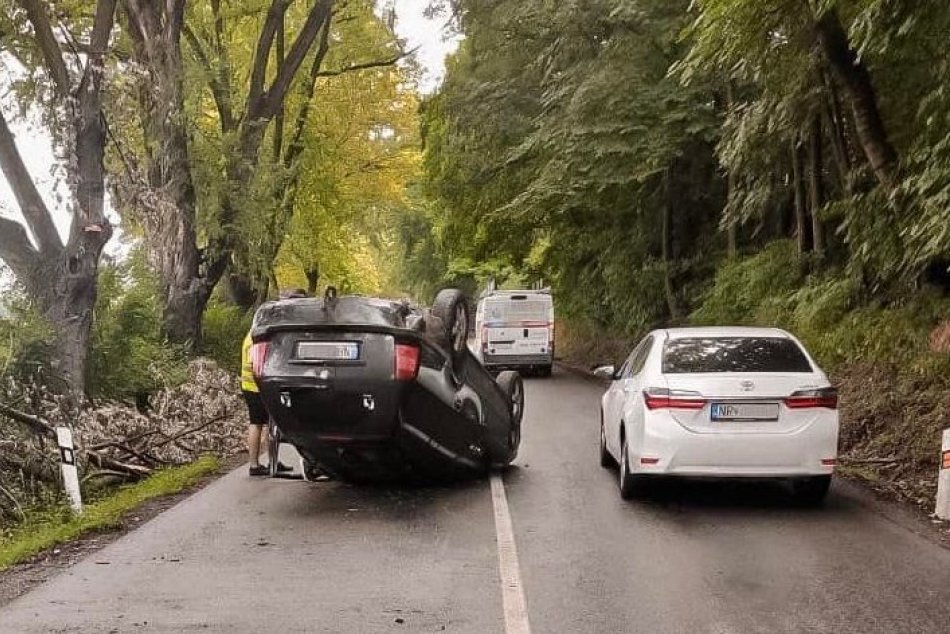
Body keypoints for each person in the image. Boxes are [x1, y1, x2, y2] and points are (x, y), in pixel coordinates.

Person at [242, 288, 307, 476]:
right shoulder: (257, 337)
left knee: (269, 424)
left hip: (254, 385)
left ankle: (271, 462)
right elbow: (258, 363)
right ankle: (255, 465)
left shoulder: (255, 333)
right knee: (258, 424)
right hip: (256, 386)